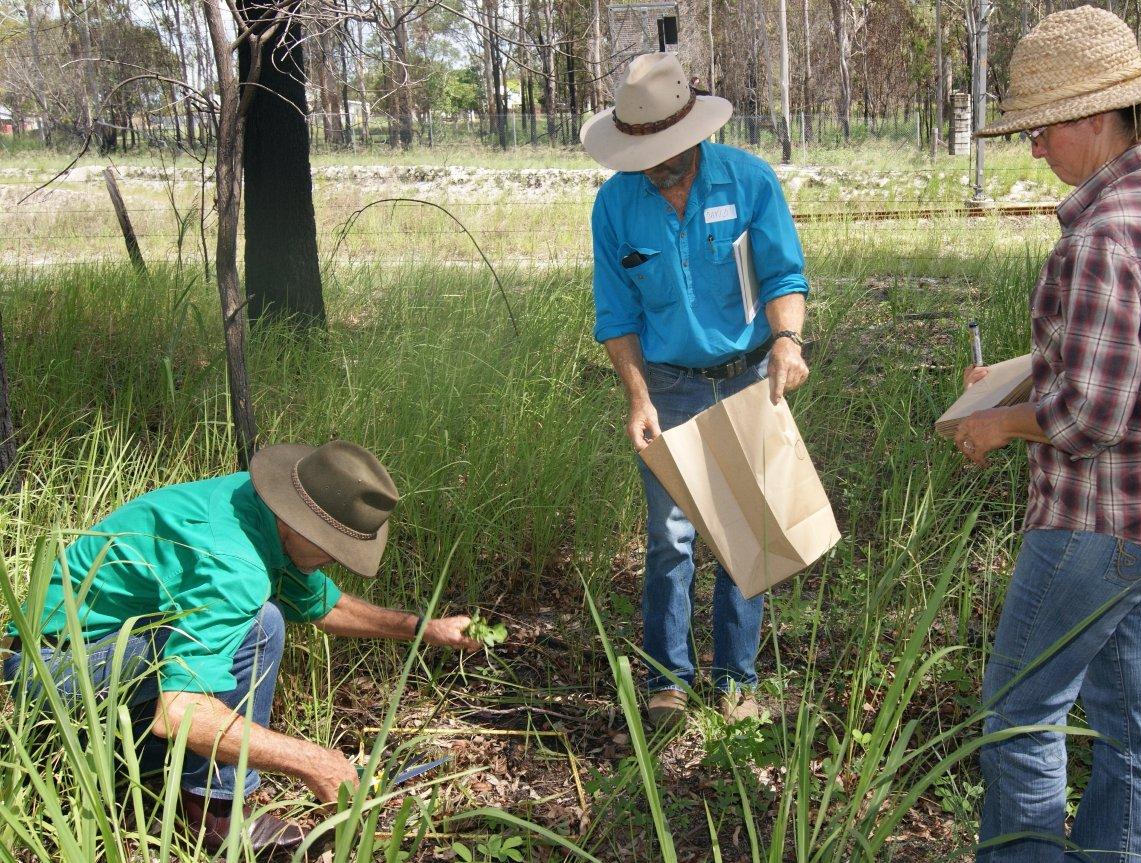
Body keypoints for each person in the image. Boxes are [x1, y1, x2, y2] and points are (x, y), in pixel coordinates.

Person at [953, 7, 1141, 861]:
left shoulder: (1100, 239)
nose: (1034, 148)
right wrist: (1019, 366)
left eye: (1040, 130)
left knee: (1022, 713)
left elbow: (1089, 416)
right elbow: (1136, 354)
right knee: (1129, 717)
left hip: (1097, 521)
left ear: (1092, 116)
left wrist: (998, 421)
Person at [1, 439, 481, 853]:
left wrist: (426, 628)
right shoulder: (234, 563)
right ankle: (215, 812)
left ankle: (159, 772)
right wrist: (312, 761)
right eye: (333, 548)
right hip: (51, 678)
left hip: (97, 657)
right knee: (262, 624)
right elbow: (179, 710)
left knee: (264, 617)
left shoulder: (261, 508)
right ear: (300, 523)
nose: (335, 560)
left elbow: (327, 608)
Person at [580, 53, 811, 725]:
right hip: (670, 387)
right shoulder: (615, 204)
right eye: (642, 154)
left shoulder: (750, 182)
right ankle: (667, 681)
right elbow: (616, 317)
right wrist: (637, 397)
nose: (656, 167)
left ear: (693, 135)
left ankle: (737, 679)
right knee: (670, 538)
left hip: (746, 378)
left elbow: (783, 275)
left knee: (749, 532)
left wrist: (787, 343)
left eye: (668, 153)